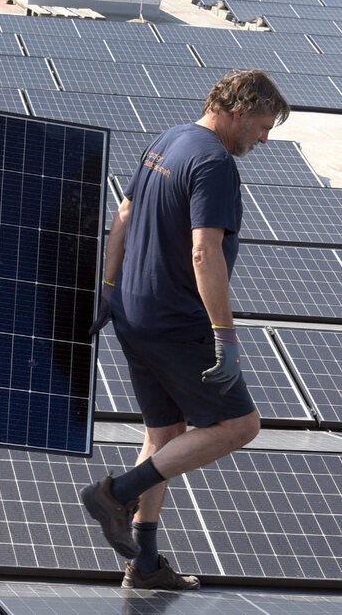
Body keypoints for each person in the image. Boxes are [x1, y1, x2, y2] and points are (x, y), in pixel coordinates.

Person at [81, 70, 290, 590]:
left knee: (164, 434)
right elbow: (204, 251)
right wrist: (224, 335)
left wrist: (109, 286)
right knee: (240, 426)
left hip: (133, 313)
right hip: (177, 323)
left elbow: (125, 212)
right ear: (240, 111)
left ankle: (145, 564)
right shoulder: (214, 162)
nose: (264, 139)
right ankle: (114, 493)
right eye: (262, 127)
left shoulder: (168, 139)